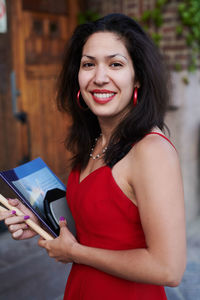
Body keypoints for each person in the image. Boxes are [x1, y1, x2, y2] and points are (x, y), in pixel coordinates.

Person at [1, 13, 186, 300]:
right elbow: (101, 223)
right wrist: (40, 221)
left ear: (137, 78)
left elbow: (168, 268)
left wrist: (74, 252)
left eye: (115, 64)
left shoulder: (151, 150)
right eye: (89, 64)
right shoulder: (96, 139)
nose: (99, 78)